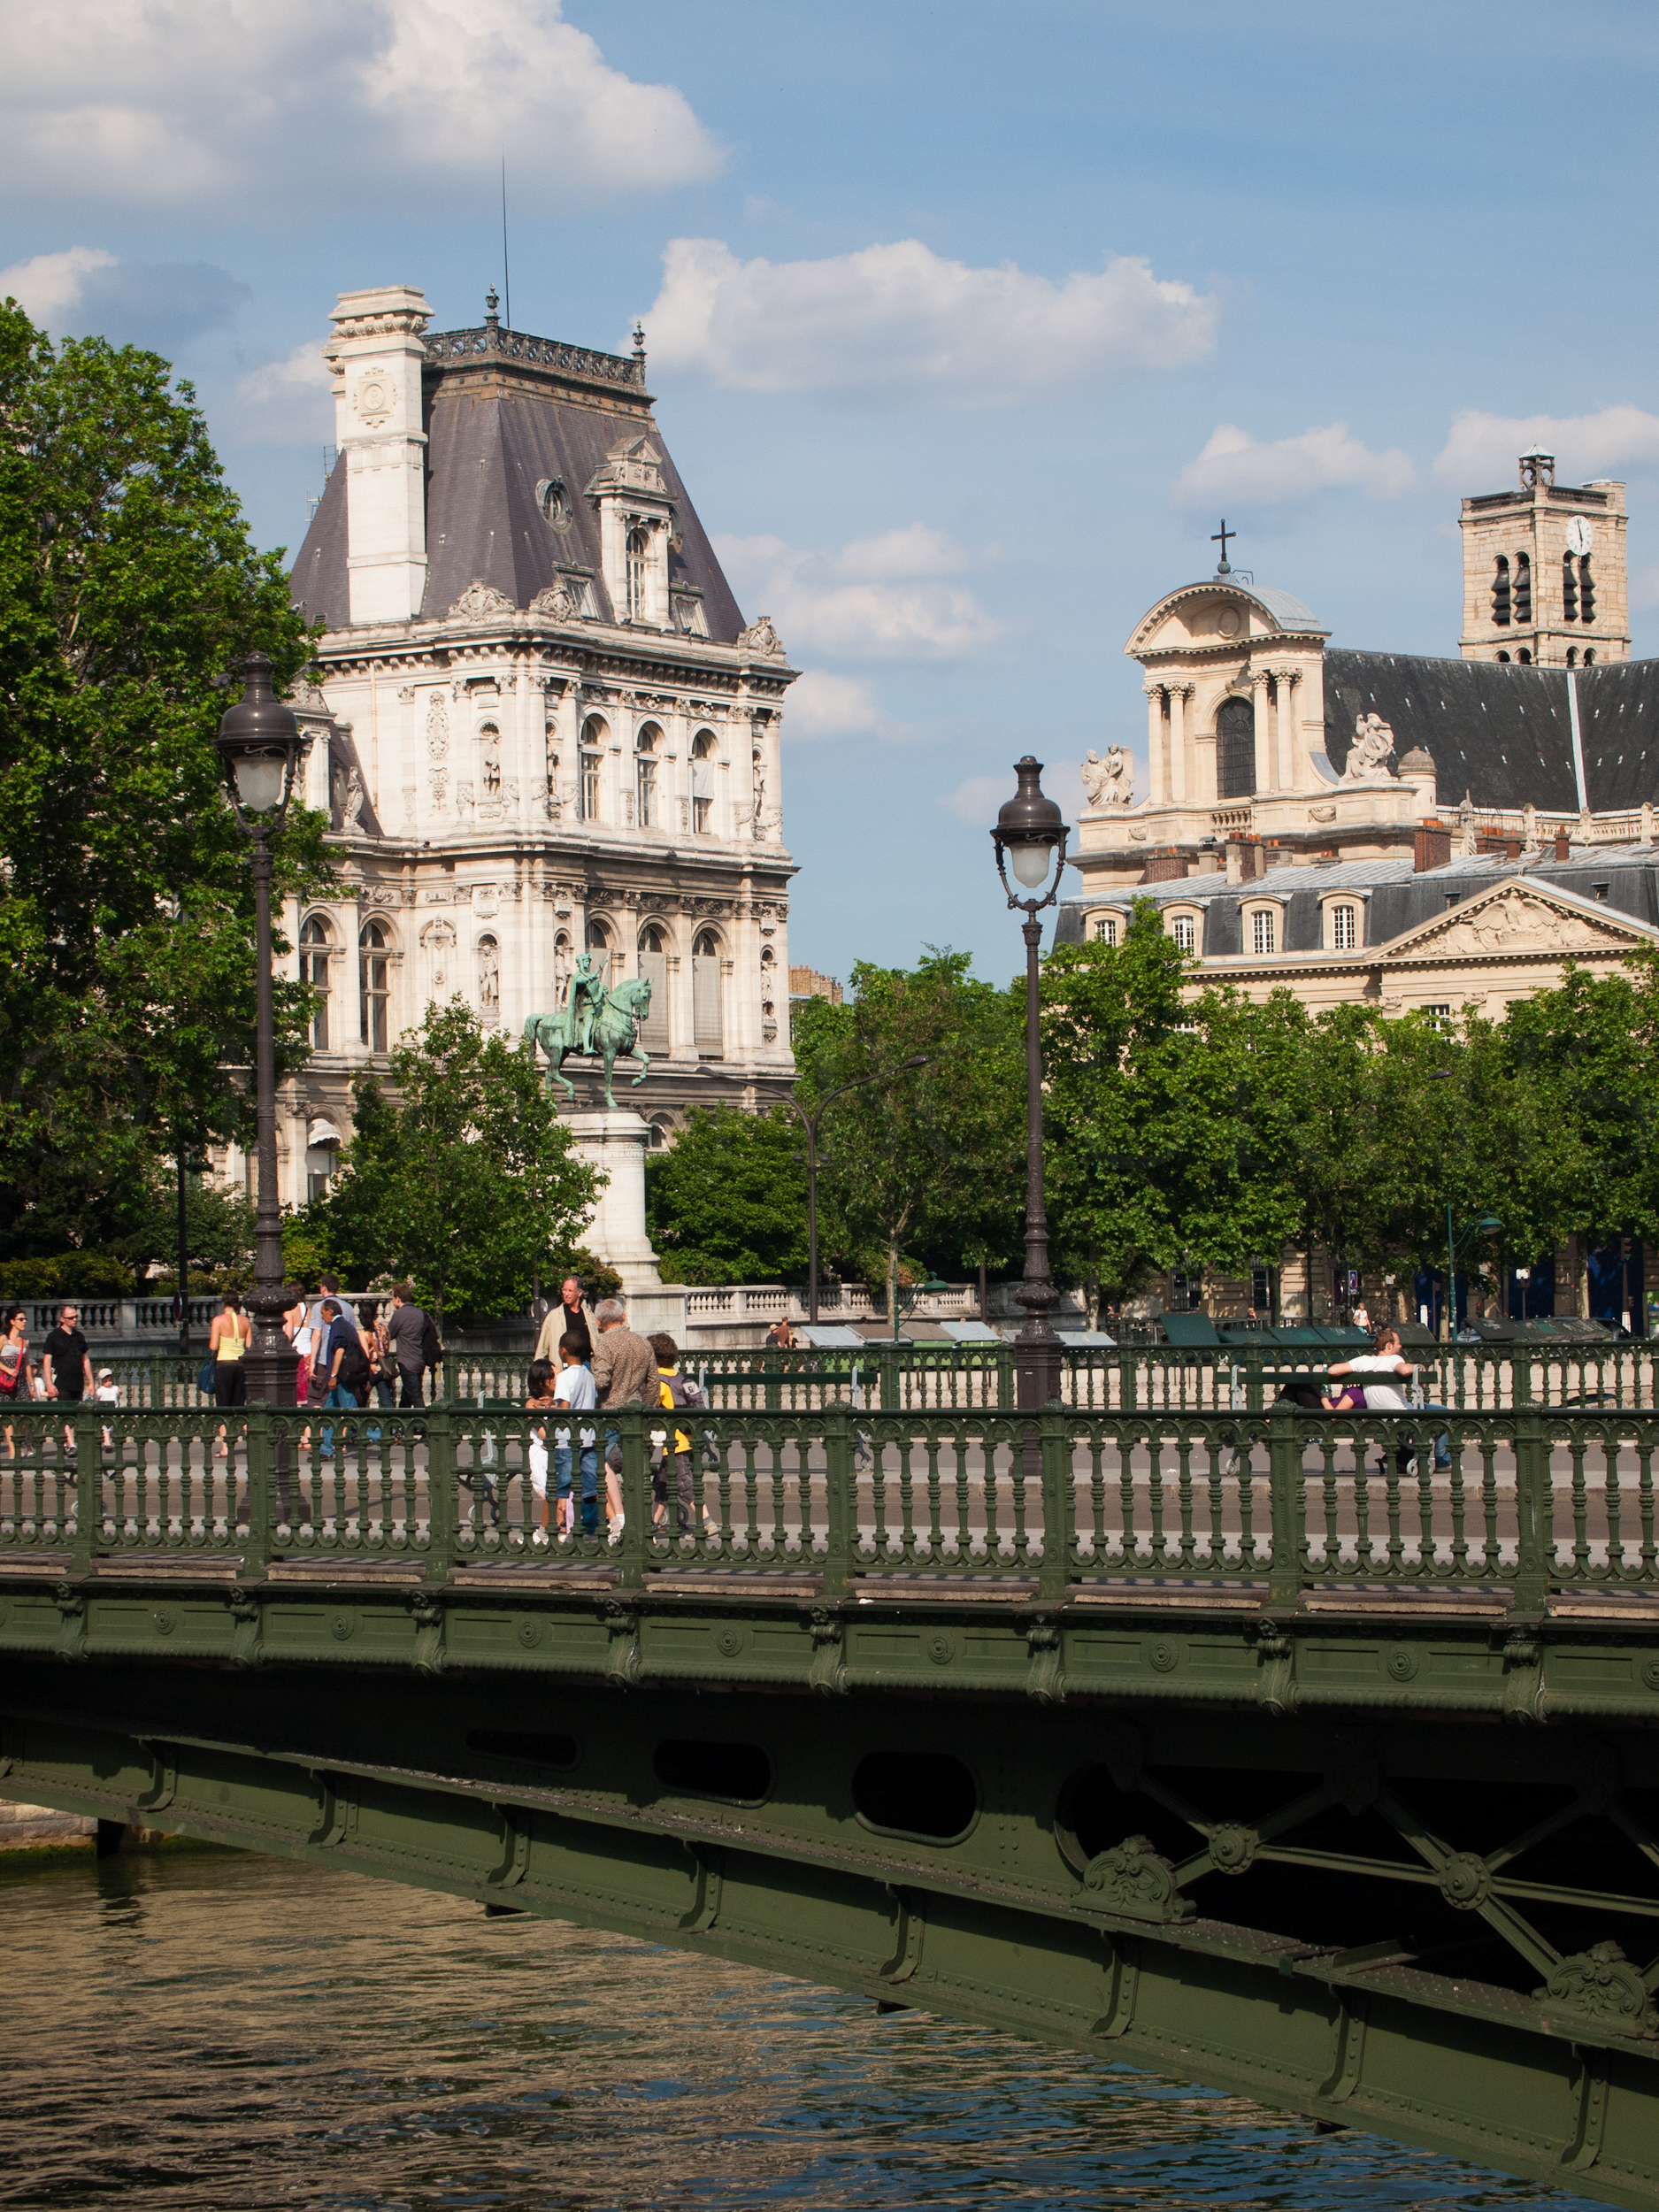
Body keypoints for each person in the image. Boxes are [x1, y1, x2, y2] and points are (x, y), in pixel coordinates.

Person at [590, 1296, 657, 1533]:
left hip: (610, 1415)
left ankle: (618, 1521)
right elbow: (654, 1385)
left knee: (601, 1467)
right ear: (623, 1317)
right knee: (636, 1472)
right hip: (637, 1415)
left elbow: (601, 1380)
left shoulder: (604, 1344)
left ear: (598, 1322)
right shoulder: (642, 1343)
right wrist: (645, 1409)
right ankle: (644, 1523)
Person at [648, 1332, 703, 1536]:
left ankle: (706, 1520)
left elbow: (650, 1409)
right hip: (687, 1436)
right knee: (662, 1482)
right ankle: (654, 1523)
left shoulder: (658, 1381)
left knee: (683, 1484)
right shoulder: (680, 1378)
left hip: (673, 1441)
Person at [552, 1334, 600, 1536]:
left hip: (566, 1438)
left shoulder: (564, 1377)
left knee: (563, 1483)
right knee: (590, 1483)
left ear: (563, 1350)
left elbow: (565, 1407)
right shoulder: (589, 1376)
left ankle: (560, 1524)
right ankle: (590, 1525)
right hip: (588, 1437)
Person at [42, 1302, 95, 1455]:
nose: (74, 1320)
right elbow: (47, 1360)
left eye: (76, 1317)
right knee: (65, 1411)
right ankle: (71, 1444)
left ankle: (68, 1441)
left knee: (75, 1412)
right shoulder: (54, 1336)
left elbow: (85, 1359)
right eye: (71, 1317)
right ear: (62, 1319)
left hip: (77, 1380)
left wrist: (91, 1382)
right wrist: (49, 1383)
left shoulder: (79, 1337)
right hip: (61, 1380)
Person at [524, 1356, 561, 1538]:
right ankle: (543, 1532)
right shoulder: (532, 1403)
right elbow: (545, 1434)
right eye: (550, 1376)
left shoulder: (561, 1399)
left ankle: (559, 1528)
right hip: (543, 1452)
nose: (554, 1380)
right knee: (552, 1491)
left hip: (562, 1449)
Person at [384, 1281, 429, 1407]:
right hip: (419, 1360)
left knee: (415, 1395)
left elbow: (389, 1335)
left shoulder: (399, 1314)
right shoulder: (420, 1313)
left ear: (398, 1299)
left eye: (393, 1298)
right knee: (408, 1393)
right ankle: (401, 1422)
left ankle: (425, 1424)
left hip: (406, 1361)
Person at [534, 1276, 592, 1365]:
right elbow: (542, 1349)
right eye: (564, 1290)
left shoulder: (589, 1316)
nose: (566, 1294)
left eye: (570, 1291)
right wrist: (537, 1372)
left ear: (579, 1293)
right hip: (563, 1366)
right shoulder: (553, 1316)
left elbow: (596, 1344)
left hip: (585, 1365)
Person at [210, 1293, 250, 1406]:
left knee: (223, 1403)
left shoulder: (218, 1320)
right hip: (241, 1364)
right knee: (238, 1403)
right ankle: (238, 1423)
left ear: (223, 1303)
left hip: (224, 1363)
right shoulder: (245, 1321)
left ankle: (224, 1424)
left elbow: (214, 1346)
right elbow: (249, 1344)